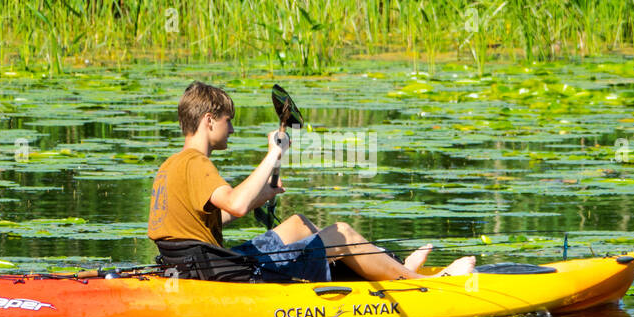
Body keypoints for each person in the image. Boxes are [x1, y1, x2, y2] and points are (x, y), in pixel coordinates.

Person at [147, 81, 475, 281]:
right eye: (227, 122)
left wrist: (263, 195)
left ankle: (390, 265)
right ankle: (418, 281)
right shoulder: (197, 163)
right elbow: (236, 203)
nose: (231, 130)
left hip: (202, 265)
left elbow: (211, 218)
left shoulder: (171, 165)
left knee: (299, 224)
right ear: (208, 121)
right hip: (223, 273)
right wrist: (273, 154)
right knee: (341, 233)